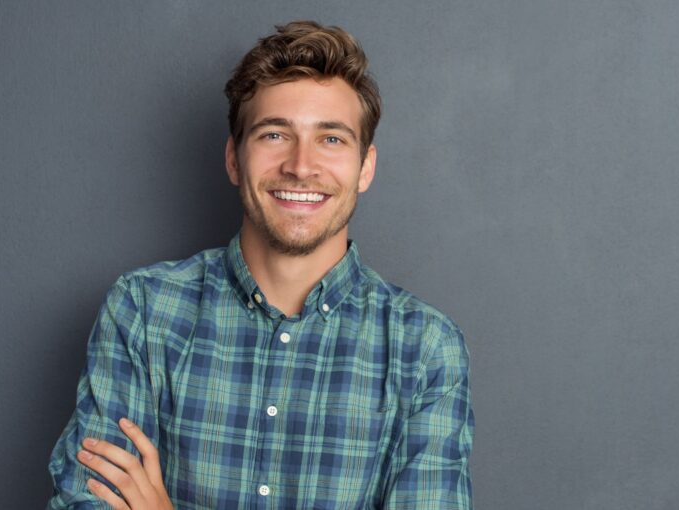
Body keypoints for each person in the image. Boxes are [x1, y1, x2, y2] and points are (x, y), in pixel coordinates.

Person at [47, 20, 474, 509]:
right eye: (274, 134)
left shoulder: (424, 350)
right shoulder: (143, 311)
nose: (300, 165)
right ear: (234, 158)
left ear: (366, 167)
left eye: (331, 139)